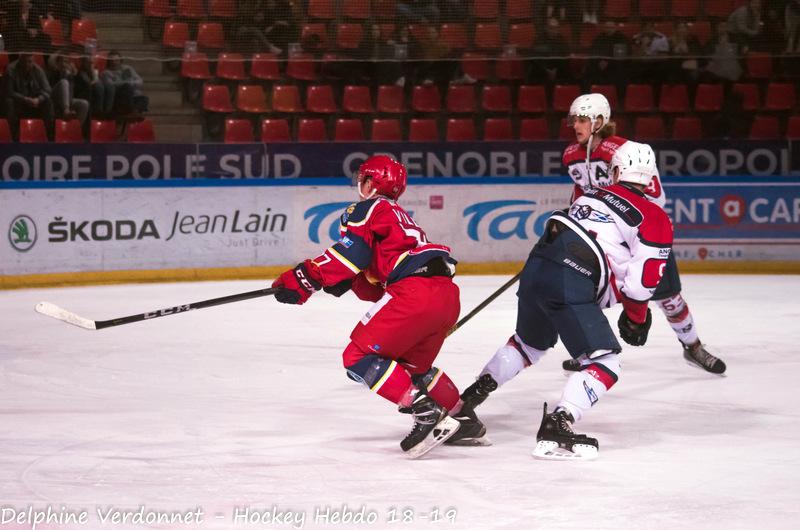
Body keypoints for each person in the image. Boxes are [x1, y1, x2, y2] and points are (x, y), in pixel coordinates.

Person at [448, 142, 674, 459]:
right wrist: (637, 319)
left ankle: (465, 401)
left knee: (527, 344)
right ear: (650, 177)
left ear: (616, 171)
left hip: (537, 266)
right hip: (572, 279)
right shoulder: (654, 216)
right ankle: (560, 420)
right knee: (605, 362)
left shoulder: (590, 195)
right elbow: (642, 283)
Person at [270, 155, 462, 459]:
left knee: (357, 357)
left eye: (364, 178)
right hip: (445, 296)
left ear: (372, 182)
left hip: (414, 294)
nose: (360, 184)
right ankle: (463, 418)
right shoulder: (399, 218)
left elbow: (353, 253)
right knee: (411, 368)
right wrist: (351, 281)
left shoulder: (368, 208)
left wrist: (305, 278)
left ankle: (426, 413)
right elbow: (378, 289)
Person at [558, 94, 727, 375]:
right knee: (588, 295)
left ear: (599, 121)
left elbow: (655, 197)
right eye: (574, 119)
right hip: (606, 241)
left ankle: (693, 346)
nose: (576, 125)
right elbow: (581, 190)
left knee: (669, 299)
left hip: (640, 238)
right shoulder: (571, 155)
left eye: (582, 119)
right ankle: (589, 350)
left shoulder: (625, 151)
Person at [3, 52, 55, 141]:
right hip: (18, 102)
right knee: (9, 101)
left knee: (48, 102)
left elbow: (48, 90)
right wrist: (24, 99)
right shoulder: (11, 70)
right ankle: (12, 138)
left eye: (30, 62)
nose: (27, 65)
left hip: (35, 102)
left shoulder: (38, 70)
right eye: (25, 62)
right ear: (20, 61)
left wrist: (38, 99)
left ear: (33, 61)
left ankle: (49, 137)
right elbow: (9, 92)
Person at [101, 51, 149, 116]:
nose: (114, 62)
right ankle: (132, 112)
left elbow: (139, 81)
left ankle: (134, 112)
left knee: (144, 99)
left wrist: (131, 83)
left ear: (120, 60)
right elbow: (111, 85)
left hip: (133, 94)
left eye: (116, 60)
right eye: (111, 60)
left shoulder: (127, 68)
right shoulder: (106, 73)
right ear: (108, 61)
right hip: (119, 96)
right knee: (127, 87)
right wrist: (125, 83)